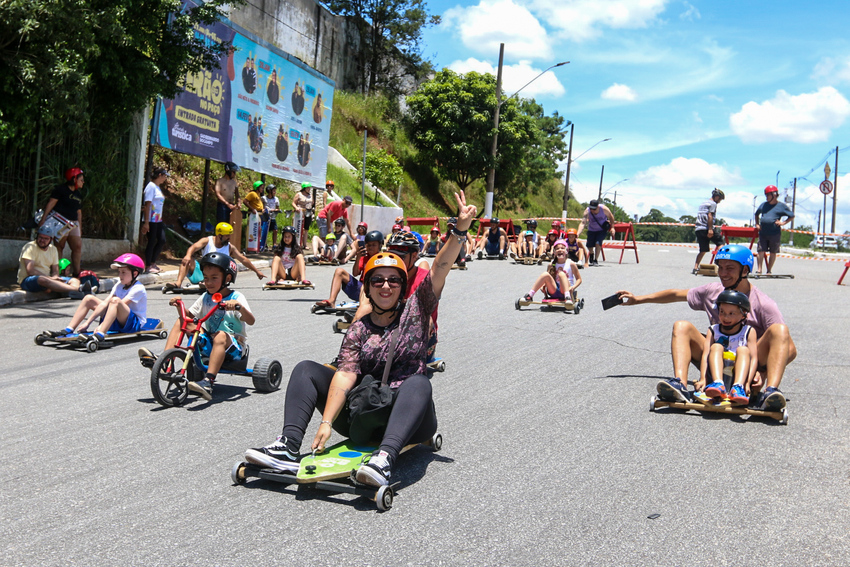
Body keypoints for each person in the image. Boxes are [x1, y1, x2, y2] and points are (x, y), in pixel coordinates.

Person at [243, 191, 477, 486]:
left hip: (410, 419)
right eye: (377, 280)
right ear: (368, 286)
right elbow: (345, 374)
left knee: (419, 381)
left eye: (394, 280)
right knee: (306, 368)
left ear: (403, 285)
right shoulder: (359, 328)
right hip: (364, 414)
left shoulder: (416, 310)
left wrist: (459, 230)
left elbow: (441, 267)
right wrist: (327, 423)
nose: (386, 286)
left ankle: (385, 459)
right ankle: (288, 447)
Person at [616, 244, 795, 411]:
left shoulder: (763, 303)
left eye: (730, 268)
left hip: (747, 364)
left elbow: (790, 350)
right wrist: (638, 299)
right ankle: (680, 384)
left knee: (779, 330)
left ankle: (770, 392)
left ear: (745, 270)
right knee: (682, 327)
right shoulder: (712, 291)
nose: (723, 273)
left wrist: (762, 373)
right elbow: (676, 294)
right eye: (720, 267)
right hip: (715, 357)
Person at [156, 253, 255, 400]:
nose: (208, 282)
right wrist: (179, 305)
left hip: (233, 347)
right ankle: (164, 361)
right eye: (206, 278)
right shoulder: (206, 297)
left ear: (227, 279)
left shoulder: (236, 297)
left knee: (221, 334)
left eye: (214, 278)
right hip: (210, 341)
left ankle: (208, 382)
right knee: (181, 320)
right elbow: (190, 316)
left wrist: (238, 307)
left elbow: (251, 320)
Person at [46, 254, 147, 342]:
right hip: (117, 318)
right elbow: (104, 304)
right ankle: (69, 329)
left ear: (135, 273)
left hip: (133, 324)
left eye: (123, 272)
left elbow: (118, 305)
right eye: (119, 272)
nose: (120, 275)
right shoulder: (119, 285)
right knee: (89, 298)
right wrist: (88, 322)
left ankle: (100, 334)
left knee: (115, 301)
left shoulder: (138, 288)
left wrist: (102, 326)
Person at [694, 290, 758, 406]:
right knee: (716, 346)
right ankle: (718, 384)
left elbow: (753, 358)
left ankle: (737, 387)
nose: (725, 317)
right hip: (716, 373)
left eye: (731, 313)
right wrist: (702, 378)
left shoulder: (748, 331)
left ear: (743, 314)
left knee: (743, 350)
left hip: (738, 375)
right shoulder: (713, 330)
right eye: (722, 312)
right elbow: (705, 355)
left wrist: (748, 383)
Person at [163, 222, 265, 291]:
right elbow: (193, 247)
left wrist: (257, 271)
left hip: (218, 277)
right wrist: (188, 255)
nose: (229, 238)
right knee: (188, 260)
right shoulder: (207, 241)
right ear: (219, 235)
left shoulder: (230, 247)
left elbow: (243, 259)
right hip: (203, 272)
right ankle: (178, 283)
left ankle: (207, 283)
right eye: (227, 236)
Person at [314, 230, 384, 309]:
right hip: (361, 290)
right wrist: (358, 257)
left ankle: (368, 303)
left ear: (380, 245)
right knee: (339, 271)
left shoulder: (383, 258)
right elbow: (355, 273)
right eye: (368, 245)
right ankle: (332, 301)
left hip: (375, 291)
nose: (370, 247)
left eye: (374, 245)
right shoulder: (364, 257)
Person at [39, 167, 84, 277]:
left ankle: (77, 273)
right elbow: (51, 203)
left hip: (74, 223)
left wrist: (80, 227)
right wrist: (43, 218)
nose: (83, 182)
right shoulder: (61, 190)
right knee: (60, 246)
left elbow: (79, 211)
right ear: (74, 179)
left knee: (77, 246)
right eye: (81, 179)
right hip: (61, 222)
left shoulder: (78, 194)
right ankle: (59, 272)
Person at [17, 226, 86, 296]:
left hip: (48, 279)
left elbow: (55, 270)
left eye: (46, 238)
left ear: (51, 239)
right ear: (37, 237)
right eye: (40, 237)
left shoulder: (53, 249)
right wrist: (50, 278)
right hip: (28, 280)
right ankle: (80, 290)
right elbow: (30, 271)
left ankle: (75, 292)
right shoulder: (30, 247)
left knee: (75, 280)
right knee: (42, 280)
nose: (42, 240)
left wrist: (55, 278)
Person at [755, 185, 794, 275]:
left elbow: (791, 216)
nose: (766, 197)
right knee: (760, 250)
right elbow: (756, 214)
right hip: (763, 232)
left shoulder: (781, 206)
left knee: (773, 251)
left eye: (768, 195)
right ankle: (759, 269)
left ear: (774, 195)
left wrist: (783, 223)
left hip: (774, 233)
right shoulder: (763, 205)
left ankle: (769, 270)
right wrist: (757, 224)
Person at [141, 167, 169, 273]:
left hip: (158, 220)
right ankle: (148, 265)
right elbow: (147, 205)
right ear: (159, 175)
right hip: (151, 220)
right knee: (151, 241)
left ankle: (153, 262)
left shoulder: (157, 187)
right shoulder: (151, 187)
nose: (165, 178)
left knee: (162, 240)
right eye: (164, 176)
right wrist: (146, 223)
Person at [693, 189, 726, 274]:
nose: (719, 202)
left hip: (699, 229)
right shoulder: (713, 204)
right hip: (707, 228)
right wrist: (710, 229)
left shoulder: (703, 203)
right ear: (717, 197)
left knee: (703, 250)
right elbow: (710, 215)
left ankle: (695, 267)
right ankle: (721, 263)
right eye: (720, 199)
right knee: (721, 244)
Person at [577, 199, 615, 266]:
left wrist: (612, 228)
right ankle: (591, 253)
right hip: (592, 229)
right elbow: (583, 223)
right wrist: (578, 233)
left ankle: (595, 260)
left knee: (598, 243)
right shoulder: (587, 211)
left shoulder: (604, 209)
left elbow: (611, 217)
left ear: (598, 207)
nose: (592, 210)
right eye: (591, 208)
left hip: (601, 229)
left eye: (594, 209)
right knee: (589, 245)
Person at [292, 182, 313, 247]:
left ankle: (304, 244)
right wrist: (296, 208)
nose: (309, 189)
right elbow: (293, 203)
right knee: (298, 227)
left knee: (306, 229)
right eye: (307, 187)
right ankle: (296, 242)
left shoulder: (311, 195)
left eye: (309, 187)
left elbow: (312, 203)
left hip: (308, 213)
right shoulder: (299, 194)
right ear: (304, 188)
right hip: (299, 213)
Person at [260, 184, 280, 251]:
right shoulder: (264, 198)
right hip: (266, 217)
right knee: (265, 230)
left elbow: (278, 208)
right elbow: (262, 207)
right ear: (269, 191)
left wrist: (275, 210)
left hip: (272, 217)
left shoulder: (276, 199)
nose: (275, 192)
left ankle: (274, 244)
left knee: (275, 230)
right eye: (273, 191)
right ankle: (264, 244)